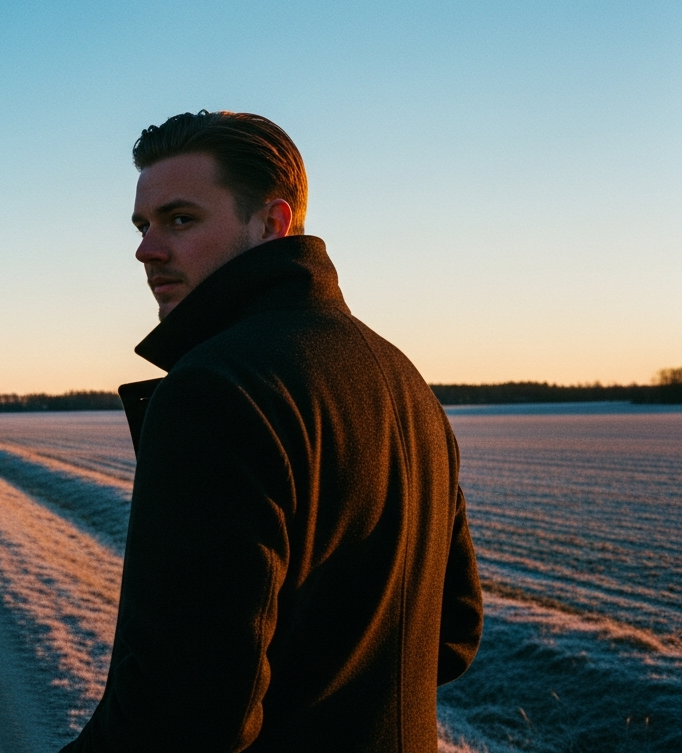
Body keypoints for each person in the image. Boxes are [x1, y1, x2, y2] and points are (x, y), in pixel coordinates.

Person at [61, 111, 483, 752]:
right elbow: (451, 637)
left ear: (272, 223)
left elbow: (182, 719)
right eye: (144, 226)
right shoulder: (405, 380)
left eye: (181, 219)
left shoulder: (215, 391)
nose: (146, 249)